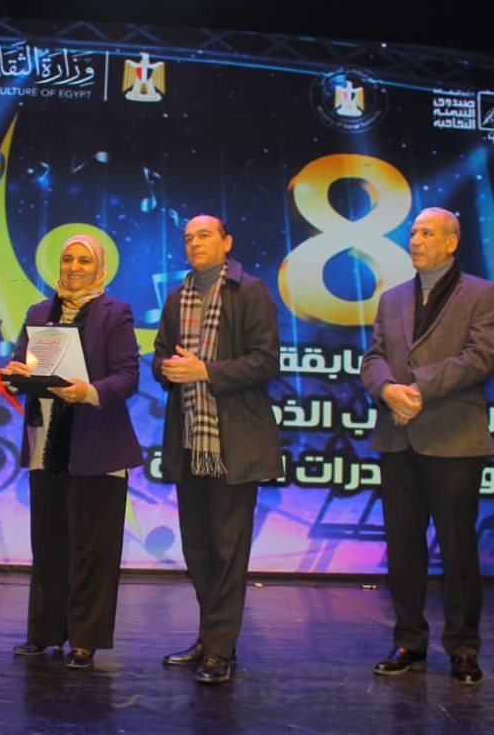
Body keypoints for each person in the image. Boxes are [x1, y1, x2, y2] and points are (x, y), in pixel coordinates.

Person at [360, 206, 494, 685]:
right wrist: (387, 390)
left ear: (451, 241)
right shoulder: (392, 298)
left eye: (426, 233)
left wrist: (418, 389)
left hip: (454, 439)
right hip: (397, 436)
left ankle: (463, 647)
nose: (416, 241)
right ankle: (409, 641)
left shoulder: (481, 293)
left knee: (457, 549)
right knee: (403, 546)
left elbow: (482, 357)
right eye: (413, 233)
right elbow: (373, 358)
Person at [152, 214, 283, 684]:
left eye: (204, 236)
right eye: (188, 238)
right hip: (189, 441)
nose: (194, 244)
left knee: (228, 552)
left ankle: (221, 650)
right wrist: (167, 369)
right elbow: (159, 354)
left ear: (227, 242)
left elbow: (266, 361)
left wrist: (206, 371)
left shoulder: (251, 292)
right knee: (199, 550)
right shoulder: (177, 297)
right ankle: (211, 638)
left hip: (234, 444)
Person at [2, 234, 142, 671]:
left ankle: (84, 639)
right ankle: (44, 632)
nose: (74, 267)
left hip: (98, 444)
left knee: (92, 550)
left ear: (100, 269)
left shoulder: (115, 312)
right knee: (49, 544)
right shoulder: (37, 312)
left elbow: (127, 377)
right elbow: (21, 365)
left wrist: (89, 392)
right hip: (45, 443)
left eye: (84, 260)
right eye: (68, 259)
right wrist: (14, 375)